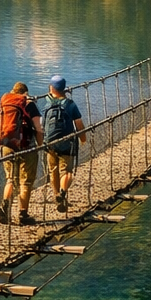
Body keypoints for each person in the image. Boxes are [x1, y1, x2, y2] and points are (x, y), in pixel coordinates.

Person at [0, 81, 44, 226]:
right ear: (25, 93)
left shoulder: (5, 103)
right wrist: (40, 145)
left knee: (10, 179)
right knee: (26, 181)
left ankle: (4, 208)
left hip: (7, 144)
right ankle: (23, 214)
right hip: (26, 146)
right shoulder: (29, 104)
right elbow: (39, 127)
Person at [41, 75, 86, 213]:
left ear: (51, 88)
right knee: (67, 172)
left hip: (50, 144)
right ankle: (62, 192)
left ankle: (57, 197)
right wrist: (83, 139)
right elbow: (79, 124)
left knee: (53, 171)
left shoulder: (47, 104)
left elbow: (42, 125)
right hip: (67, 143)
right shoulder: (70, 104)